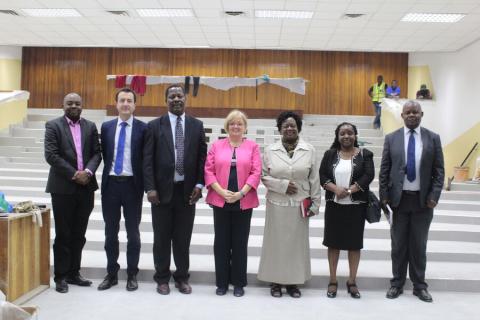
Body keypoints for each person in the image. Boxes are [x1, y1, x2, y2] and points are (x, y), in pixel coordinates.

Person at [143, 84, 207, 295]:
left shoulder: (197, 126)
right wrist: (150, 188)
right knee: (161, 238)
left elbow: (201, 159)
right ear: (166, 100)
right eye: (172, 96)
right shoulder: (153, 126)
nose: (176, 99)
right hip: (161, 194)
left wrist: (199, 184)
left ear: (186, 99)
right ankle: (162, 278)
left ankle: (181, 278)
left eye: (180, 96)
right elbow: (147, 160)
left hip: (187, 193)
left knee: (182, 239)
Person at [380, 100, 444, 302]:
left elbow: (439, 171)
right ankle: (397, 284)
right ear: (402, 115)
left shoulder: (433, 138)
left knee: (418, 245)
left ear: (421, 114)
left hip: (423, 202)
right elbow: (384, 170)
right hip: (398, 202)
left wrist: (434, 196)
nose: (411, 115)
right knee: (398, 245)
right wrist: (384, 197)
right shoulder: (391, 139)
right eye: (408, 112)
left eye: (415, 112)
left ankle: (419, 286)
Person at [258, 111, 321, 298]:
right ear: (279, 129)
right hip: (277, 204)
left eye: (293, 125)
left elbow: (314, 178)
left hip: (300, 204)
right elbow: (263, 175)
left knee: (296, 245)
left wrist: (315, 203)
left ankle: (293, 283)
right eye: (285, 125)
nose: (289, 128)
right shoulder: (270, 150)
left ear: (298, 128)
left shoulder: (309, 150)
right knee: (275, 244)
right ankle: (275, 282)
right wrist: (282, 185)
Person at [44, 93, 102, 293]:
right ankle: (60, 276)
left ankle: (74, 273)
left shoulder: (90, 126)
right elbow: (51, 155)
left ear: (82, 106)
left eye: (77, 103)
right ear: (63, 105)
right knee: (63, 234)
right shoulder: (53, 126)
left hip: (86, 187)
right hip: (63, 188)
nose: (74, 106)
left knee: (79, 234)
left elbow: (97, 153)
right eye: (70, 103)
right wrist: (74, 174)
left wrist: (87, 172)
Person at [204, 110, 261, 297]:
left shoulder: (252, 147)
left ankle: (238, 282)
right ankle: (221, 282)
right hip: (220, 199)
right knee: (221, 242)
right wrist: (221, 191)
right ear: (227, 126)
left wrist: (240, 193)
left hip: (243, 200)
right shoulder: (216, 145)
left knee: (239, 243)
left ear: (245, 127)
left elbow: (256, 172)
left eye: (239, 123)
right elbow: (208, 170)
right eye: (232, 123)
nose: (236, 126)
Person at [97, 88, 147, 292]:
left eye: (129, 100)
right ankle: (111, 273)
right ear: (116, 104)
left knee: (133, 234)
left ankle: (132, 274)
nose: (126, 104)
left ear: (135, 105)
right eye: (122, 100)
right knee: (110, 233)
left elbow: (146, 159)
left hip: (132, 186)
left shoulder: (144, 128)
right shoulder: (107, 127)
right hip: (111, 186)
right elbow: (104, 155)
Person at [319, 122, 374, 299]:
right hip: (334, 206)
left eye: (350, 133)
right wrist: (336, 189)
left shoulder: (365, 154)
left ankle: (352, 281)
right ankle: (333, 280)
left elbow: (368, 175)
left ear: (355, 135)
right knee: (333, 243)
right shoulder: (329, 154)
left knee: (354, 245)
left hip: (356, 207)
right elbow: (322, 175)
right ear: (337, 136)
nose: (346, 136)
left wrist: (350, 190)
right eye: (342, 133)